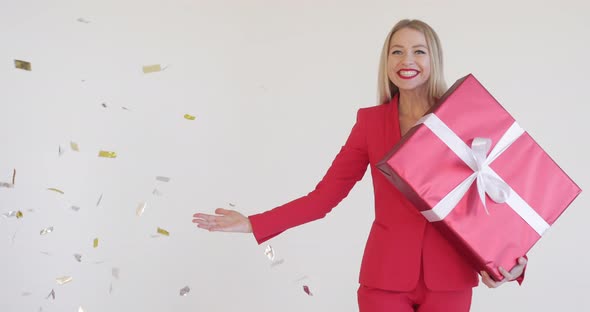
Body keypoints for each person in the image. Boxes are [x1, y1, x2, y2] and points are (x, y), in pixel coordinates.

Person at [192, 19, 527, 312]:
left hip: (451, 277)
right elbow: (323, 198)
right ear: (386, 62)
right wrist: (253, 223)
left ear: (433, 59)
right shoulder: (370, 124)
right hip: (385, 278)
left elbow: (498, 194)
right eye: (396, 51)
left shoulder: (462, 119)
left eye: (418, 51)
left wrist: (511, 262)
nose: (406, 59)